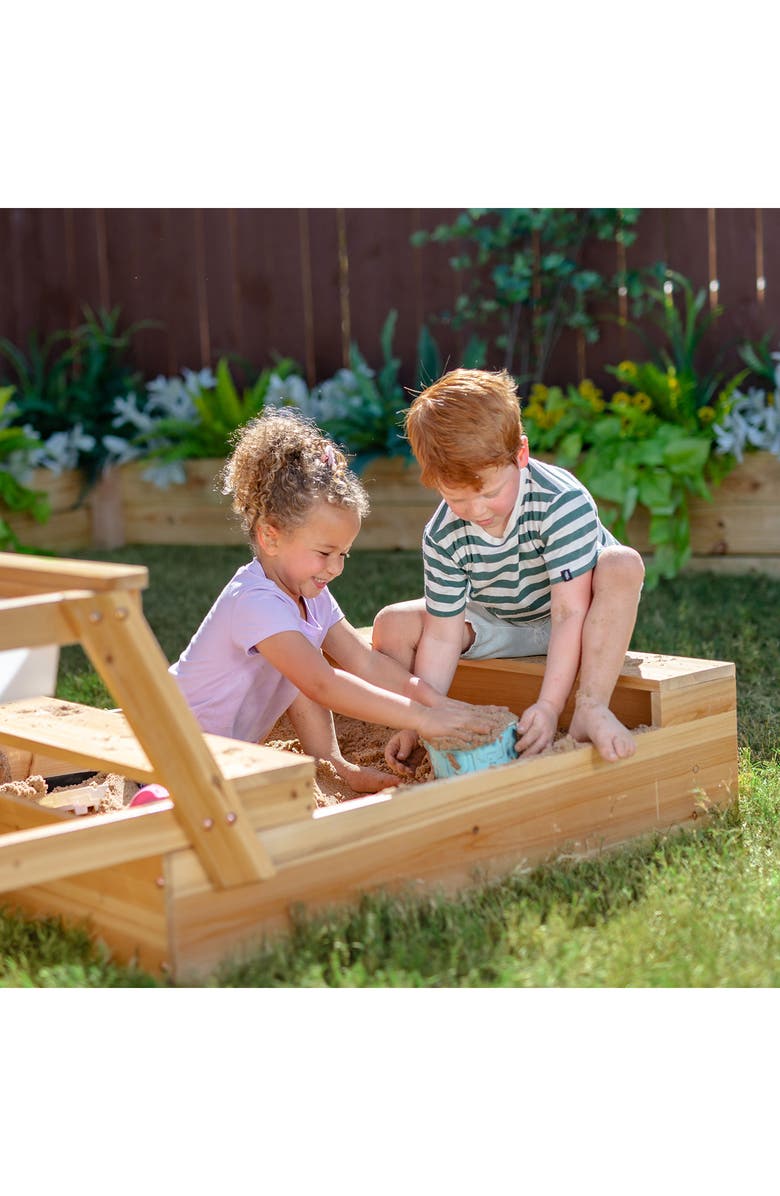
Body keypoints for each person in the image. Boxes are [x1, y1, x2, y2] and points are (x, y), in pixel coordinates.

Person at [170, 408, 502, 795]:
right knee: (306, 664)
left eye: (344, 554)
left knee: (302, 656)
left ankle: (330, 763)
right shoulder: (254, 602)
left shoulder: (309, 598)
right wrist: (426, 720)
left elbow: (364, 661)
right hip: (171, 749)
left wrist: (433, 701)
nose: (336, 567)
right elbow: (322, 683)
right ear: (270, 537)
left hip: (220, 760)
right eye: (325, 552)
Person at [371, 367, 646, 776]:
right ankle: (409, 716)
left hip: (581, 620)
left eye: (489, 492)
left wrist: (551, 707)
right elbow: (444, 634)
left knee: (623, 564)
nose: (476, 511)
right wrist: (418, 720)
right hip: (502, 622)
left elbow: (570, 613)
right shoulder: (443, 533)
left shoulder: (559, 501)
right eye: (457, 498)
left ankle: (592, 707)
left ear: (520, 455)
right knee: (391, 625)